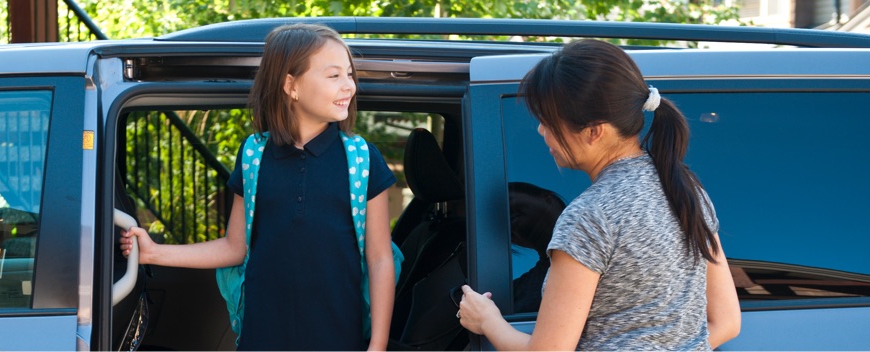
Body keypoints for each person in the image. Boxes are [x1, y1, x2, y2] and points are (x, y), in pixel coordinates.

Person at [120, 23, 397, 351]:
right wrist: (155, 252)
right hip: (261, 340)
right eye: (334, 75)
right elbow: (234, 247)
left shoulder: (362, 158)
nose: (348, 86)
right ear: (291, 86)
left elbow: (380, 259)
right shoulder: (253, 155)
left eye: (349, 75)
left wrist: (377, 346)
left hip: (338, 342)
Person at [457, 39, 741, 350]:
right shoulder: (686, 189)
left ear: (595, 131)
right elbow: (727, 321)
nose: (541, 130)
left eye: (549, 120)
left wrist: (487, 320)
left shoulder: (590, 217)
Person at [506, 182, 565, 313]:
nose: (505, 217)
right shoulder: (516, 292)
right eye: (500, 224)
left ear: (547, 198)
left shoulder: (603, 253)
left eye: (507, 202)